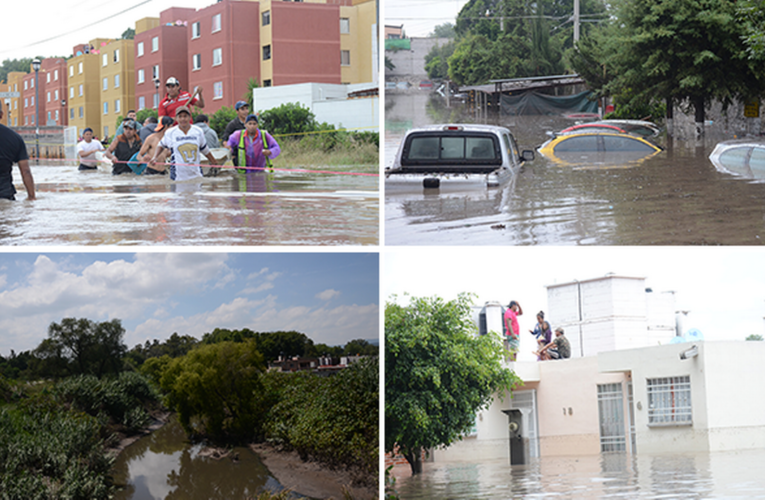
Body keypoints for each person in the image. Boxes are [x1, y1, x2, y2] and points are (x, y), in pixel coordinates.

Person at [149, 106, 218, 181]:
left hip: (196, 174)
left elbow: (204, 149)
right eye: (180, 116)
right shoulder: (170, 132)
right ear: (176, 118)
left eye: (185, 116)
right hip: (177, 176)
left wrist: (213, 161)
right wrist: (155, 157)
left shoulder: (198, 131)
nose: (183, 119)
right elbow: (161, 145)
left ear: (189, 117)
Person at [0, 101, 35, 200]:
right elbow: (26, 171)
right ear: (2, 114)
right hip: (4, 196)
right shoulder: (14, 138)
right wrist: (31, 197)